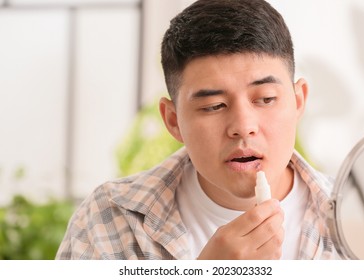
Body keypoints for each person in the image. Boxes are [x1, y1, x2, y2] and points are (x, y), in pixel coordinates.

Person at [56, 0, 340, 260]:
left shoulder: (357, 218)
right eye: (214, 106)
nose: (243, 128)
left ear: (298, 101)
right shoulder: (109, 218)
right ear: (173, 120)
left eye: (265, 99)